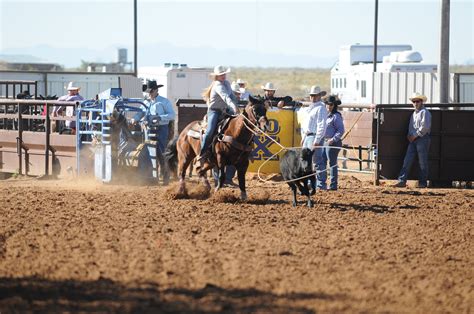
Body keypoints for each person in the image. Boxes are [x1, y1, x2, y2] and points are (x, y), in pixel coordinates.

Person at [198, 65, 239, 165]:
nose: (223, 76)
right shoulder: (217, 85)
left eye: (224, 74)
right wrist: (234, 107)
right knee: (210, 131)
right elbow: (225, 97)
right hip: (214, 111)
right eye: (221, 75)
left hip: (225, 110)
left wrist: (237, 105)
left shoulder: (227, 83)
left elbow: (232, 96)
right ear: (216, 76)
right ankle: (202, 153)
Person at [393, 92, 432, 188]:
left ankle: (421, 183)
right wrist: (410, 135)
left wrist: (413, 135)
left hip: (422, 139)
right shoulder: (414, 113)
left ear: (421, 102)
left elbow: (425, 127)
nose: (415, 103)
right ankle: (402, 180)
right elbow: (413, 127)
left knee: (422, 162)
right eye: (414, 101)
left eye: (417, 101)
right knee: (408, 160)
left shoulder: (425, 112)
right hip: (415, 139)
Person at [145, 80, 176, 185]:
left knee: (161, 152)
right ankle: (152, 176)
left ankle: (165, 177)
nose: (149, 94)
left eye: (151, 91)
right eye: (148, 92)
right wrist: (135, 119)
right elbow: (140, 113)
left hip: (161, 128)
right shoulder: (146, 102)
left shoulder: (164, 101)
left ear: (156, 90)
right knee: (149, 151)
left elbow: (172, 115)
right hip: (149, 129)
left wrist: (160, 117)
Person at [301, 85, 328, 191]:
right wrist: (303, 137)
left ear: (319, 96)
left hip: (314, 136)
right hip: (308, 136)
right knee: (307, 161)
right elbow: (306, 125)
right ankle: (309, 183)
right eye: (312, 95)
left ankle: (321, 184)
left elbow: (322, 125)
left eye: (315, 95)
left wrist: (317, 140)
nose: (313, 97)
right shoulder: (311, 108)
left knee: (316, 161)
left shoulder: (321, 108)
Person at [321, 95, 344, 190]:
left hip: (332, 142)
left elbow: (341, 130)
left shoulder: (336, 116)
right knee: (322, 162)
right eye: (328, 104)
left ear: (334, 105)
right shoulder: (325, 115)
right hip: (324, 141)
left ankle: (333, 185)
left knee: (332, 163)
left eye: (331, 104)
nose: (329, 106)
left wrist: (333, 139)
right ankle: (322, 183)